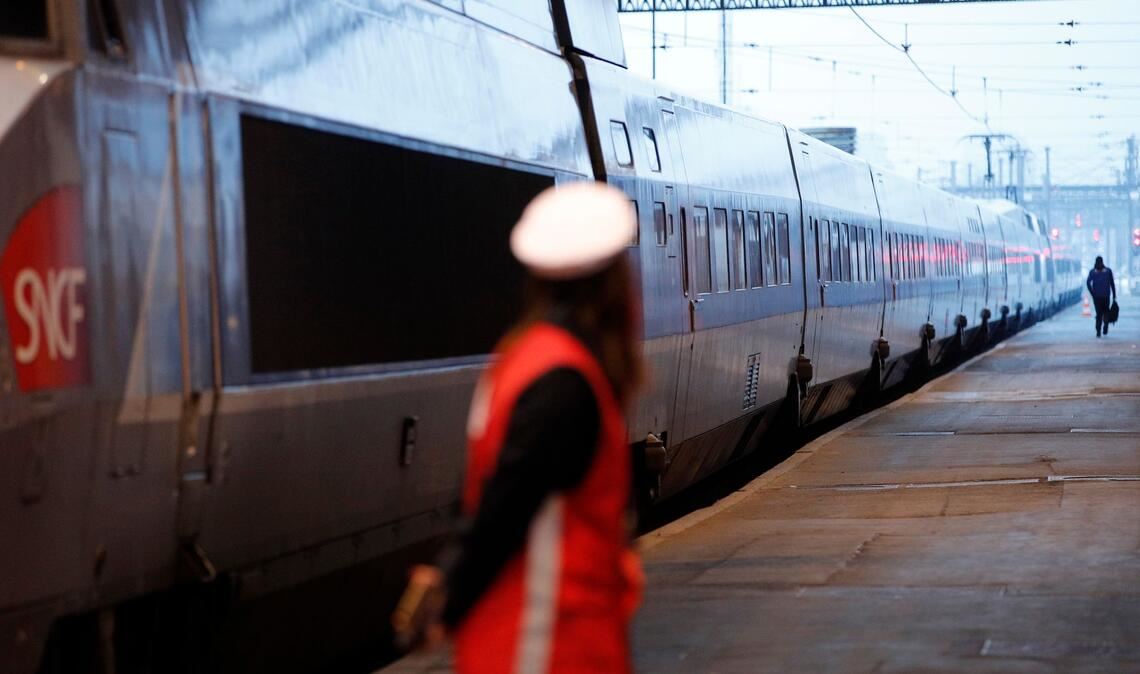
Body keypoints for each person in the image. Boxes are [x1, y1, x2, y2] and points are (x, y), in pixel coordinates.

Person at [392, 182, 644, 674]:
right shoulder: (564, 380)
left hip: (519, 634)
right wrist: (454, 593)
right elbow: (504, 505)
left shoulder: (523, 357)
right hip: (549, 639)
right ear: (614, 278)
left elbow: (487, 492)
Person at [1086, 255, 1116, 337]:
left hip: (1097, 297)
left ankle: (1098, 331)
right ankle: (1105, 325)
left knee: (1098, 313)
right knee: (1106, 312)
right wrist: (1114, 295)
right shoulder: (1108, 271)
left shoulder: (1092, 272)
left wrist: (1092, 293)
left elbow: (1088, 283)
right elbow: (1112, 283)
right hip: (1106, 296)